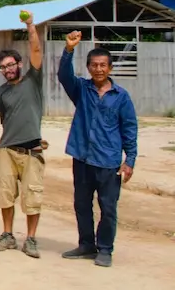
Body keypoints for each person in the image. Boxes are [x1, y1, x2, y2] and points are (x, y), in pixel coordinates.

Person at [58, 31, 138, 268]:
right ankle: (86, 245)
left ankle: (105, 249)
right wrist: (68, 50)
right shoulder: (81, 90)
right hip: (82, 158)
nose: (98, 69)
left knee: (108, 208)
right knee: (82, 204)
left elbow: (129, 128)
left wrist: (130, 160)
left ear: (110, 68)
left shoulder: (121, 97)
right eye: (94, 65)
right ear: (88, 68)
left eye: (103, 65)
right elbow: (64, 76)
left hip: (108, 162)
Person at [0, 11, 45, 258]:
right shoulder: (0, 92)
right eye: (3, 67)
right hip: (7, 149)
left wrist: (30, 25)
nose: (7, 69)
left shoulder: (33, 80)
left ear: (20, 64)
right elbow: (3, 119)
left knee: (32, 196)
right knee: (4, 194)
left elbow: (36, 49)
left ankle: (30, 239)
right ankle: (8, 235)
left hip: (32, 150)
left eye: (11, 65)